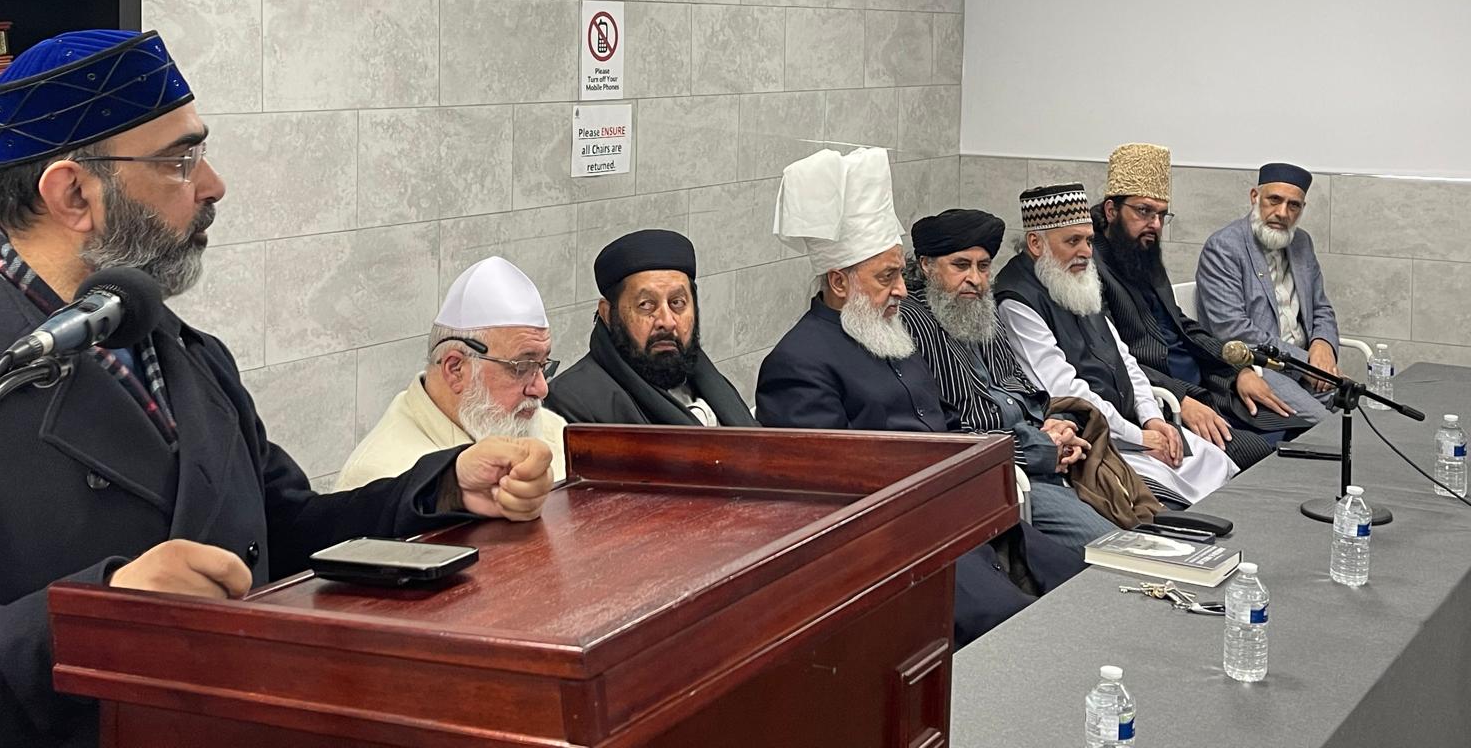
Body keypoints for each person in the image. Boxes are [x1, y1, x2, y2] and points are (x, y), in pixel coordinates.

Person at [0, 30, 553, 748]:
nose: (212, 184)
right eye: (179, 161)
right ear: (73, 194)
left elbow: (282, 533)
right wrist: (103, 611)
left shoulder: (178, 350)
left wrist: (441, 488)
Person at [758, 148, 1085, 647]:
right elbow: (831, 490)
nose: (900, 290)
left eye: (898, 274)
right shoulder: (797, 364)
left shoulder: (890, 336)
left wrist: (1015, 455)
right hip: (896, 541)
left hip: (959, 510)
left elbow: (946, 428)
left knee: (1079, 580)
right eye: (885, 277)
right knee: (1016, 629)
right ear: (839, 281)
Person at [996, 184, 1239, 506]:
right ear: (1036, 243)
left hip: (1132, 426)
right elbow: (1063, 390)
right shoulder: (1016, 299)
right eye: (1072, 241)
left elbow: (1125, 359)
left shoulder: (1076, 276)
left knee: (1218, 465)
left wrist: (1152, 418)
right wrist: (1139, 437)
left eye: (1088, 240)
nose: (1086, 252)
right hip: (1093, 440)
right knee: (1172, 500)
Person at [902, 209, 1121, 549]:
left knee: (1140, 525)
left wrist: (1057, 425)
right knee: (1107, 547)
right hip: (996, 476)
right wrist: (1040, 448)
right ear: (927, 265)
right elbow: (948, 435)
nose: (975, 279)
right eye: (961, 265)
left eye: (983, 266)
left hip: (1045, 457)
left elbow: (1021, 386)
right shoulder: (912, 323)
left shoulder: (981, 308)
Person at [1094, 143, 1323, 450]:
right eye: (1144, 211)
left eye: (1161, 215)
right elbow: (1111, 357)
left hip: (1208, 382)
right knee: (1266, 451)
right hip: (1164, 397)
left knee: (1297, 432)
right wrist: (1181, 397)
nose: (1155, 225)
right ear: (1112, 211)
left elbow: (1183, 327)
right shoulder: (1093, 269)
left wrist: (1238, 371)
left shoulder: (1142, 252)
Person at [338, 256, 569, 489]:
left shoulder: (553, 431)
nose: (542, 389)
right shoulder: (383, 476)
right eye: (522, 367)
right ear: (455, 369)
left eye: (542, 365)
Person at [546, 229, 756, 427]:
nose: (667, 321)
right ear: (607, 314)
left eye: (677, 303)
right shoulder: (573, 401)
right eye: (646, 305)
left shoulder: (705, 378)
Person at [1196, 162, 1342, 399]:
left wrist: (1323, 344)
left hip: (1308, 368)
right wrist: (1307, 363)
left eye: (1293, 205)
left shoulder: (1302, 243)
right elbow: (1233, 330)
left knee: (1360, 408)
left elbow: (1321, 307)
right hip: (1259, 369)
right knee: (1326, 421)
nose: (1283, 213)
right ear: (1255, 197)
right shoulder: (1224, 247)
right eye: (1274, 200)